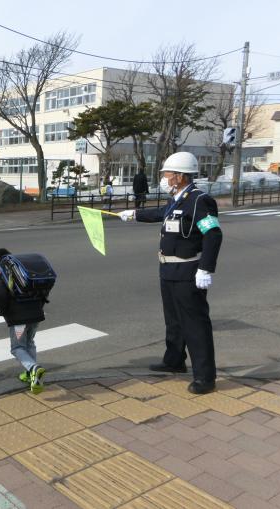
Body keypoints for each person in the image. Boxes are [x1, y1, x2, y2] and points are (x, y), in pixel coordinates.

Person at [119, 152, 222, 394]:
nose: (164, 178)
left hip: (188, 270)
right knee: (173, 320)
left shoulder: (198, 200)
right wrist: (134, 214)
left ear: (180, 176)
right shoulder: (177, 199)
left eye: (167, 173)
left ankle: (205, 377)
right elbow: (160, 214)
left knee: (195, 325)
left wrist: (205, 268)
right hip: (168, 269)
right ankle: (174, 360)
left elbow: (213, 234)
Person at [0, 248, 47, 394]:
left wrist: (2, 312)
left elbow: (1, 297)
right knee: (29, 343)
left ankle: (33, 368)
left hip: (19, 321)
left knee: (17, 348)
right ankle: (30, 375)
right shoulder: (24, 273)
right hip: (36, 316)